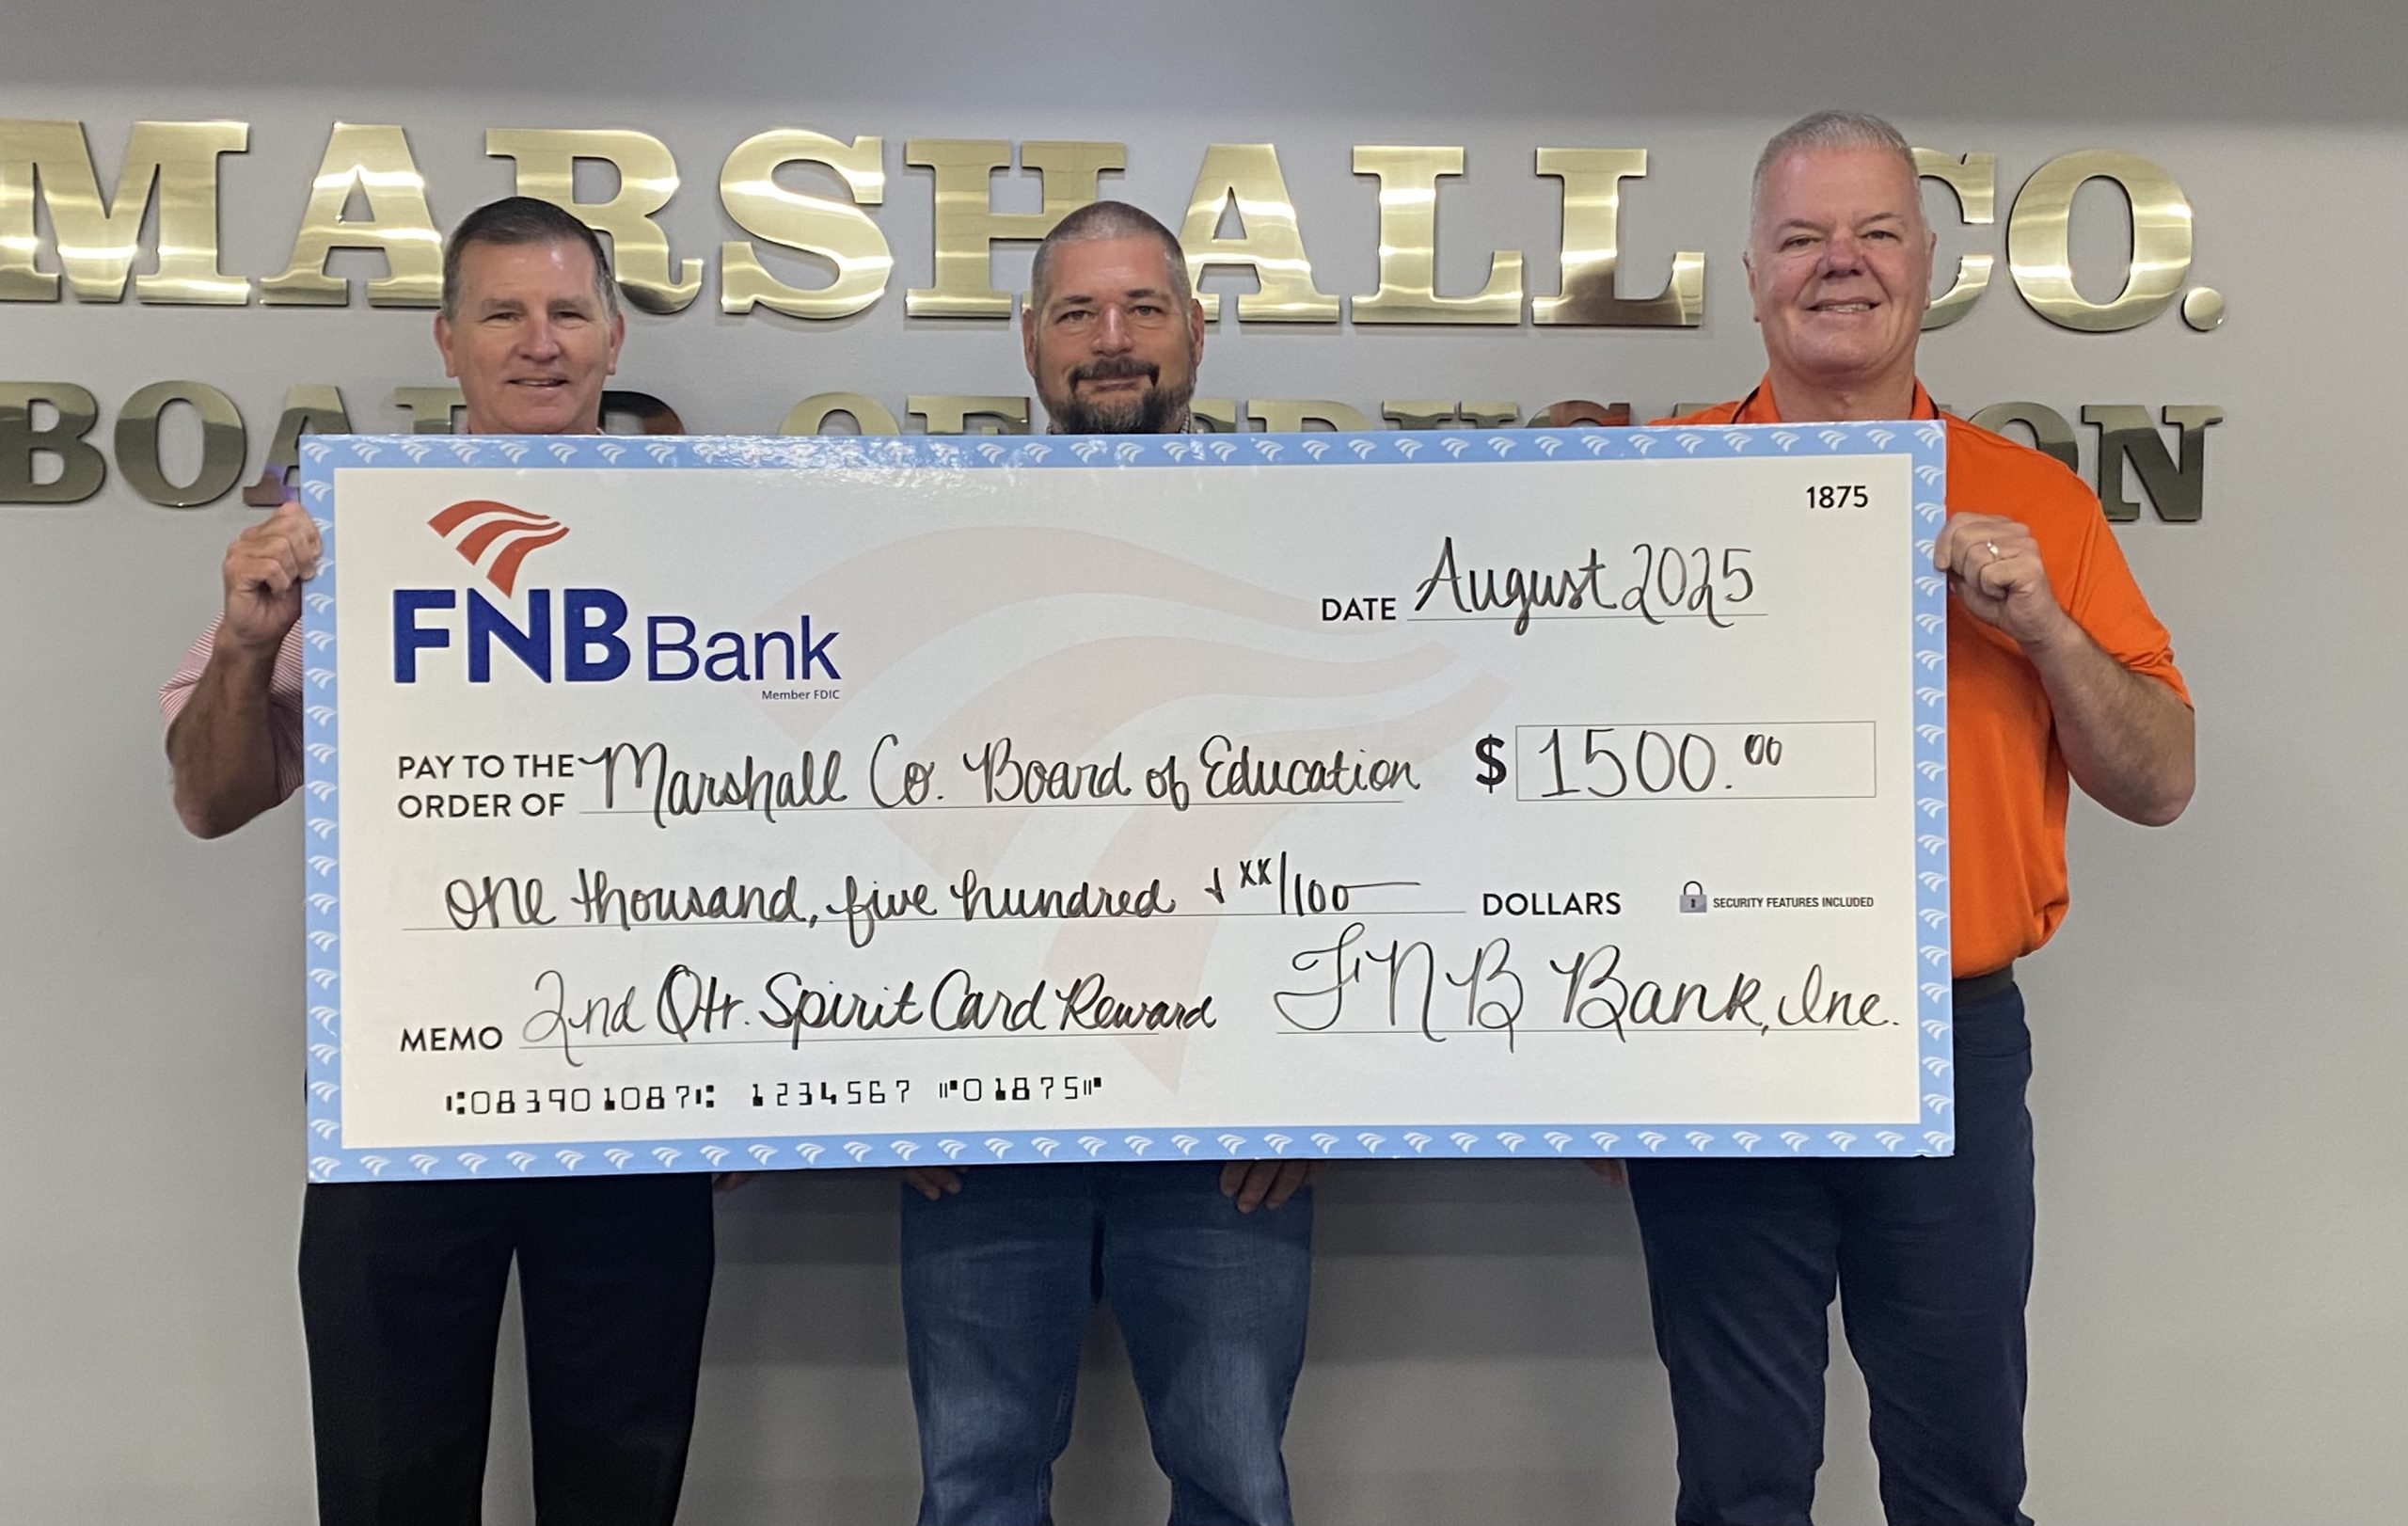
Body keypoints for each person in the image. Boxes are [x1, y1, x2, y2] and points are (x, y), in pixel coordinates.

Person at [1620, 112, 2195, 1526]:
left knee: (1961, 1474)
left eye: (1876, 231)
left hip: (1947, 1039)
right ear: (1751, 277)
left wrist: (2046, 630)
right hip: (1718, 1041)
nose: (1842, 262)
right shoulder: (1644, 489)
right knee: (1739, 1478)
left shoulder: (2038, 505)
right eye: (1803, 237)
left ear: (1927, 265)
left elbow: (2162, 780)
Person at [160, 197, 716, 1526]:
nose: (540, 342)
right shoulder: (352, 529)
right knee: (388, 1476)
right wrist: (246, 643)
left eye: (568, 312)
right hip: (409, 1091)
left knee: (623, 1479)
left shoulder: (711, 526)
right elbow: (209, 800)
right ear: (448, 342)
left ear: (615, 336)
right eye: (503, 314)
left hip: (639, 1088)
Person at [896, 200, 1318, 1526]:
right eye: (1080, 312)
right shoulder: (929, 549)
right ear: (1031, 339)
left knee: (1237, 1482)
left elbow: (1354, 819)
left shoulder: (1305, 541)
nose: (1113, 338)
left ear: (1197, 329)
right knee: (975, 1484)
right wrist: (878, 1075)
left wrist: (1320, 1085)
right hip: (976, 1113)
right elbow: (863, 810)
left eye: (1143, 308)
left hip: (1228, 1122)